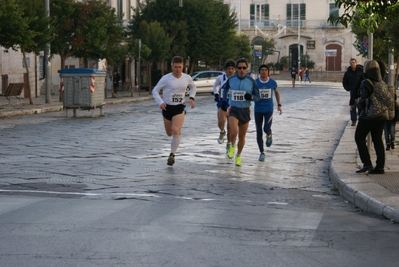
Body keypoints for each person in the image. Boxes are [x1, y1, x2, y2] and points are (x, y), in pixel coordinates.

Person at [152, 56, 196, 166]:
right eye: (175, 67)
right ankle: (175, 135)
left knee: (175, 130)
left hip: (179, 107)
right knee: (169, 133)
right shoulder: (166, 78)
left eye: (180, 67)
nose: (177, 69)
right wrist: (160, 102)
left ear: (183, 67)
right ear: (172, 66)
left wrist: (191, 97)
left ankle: (172, 154)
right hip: (167, 107)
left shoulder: (187, 78)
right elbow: (155, 91)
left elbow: (193, 87)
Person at [221, 58, 260, 166]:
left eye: (244, 68)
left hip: (245, 110)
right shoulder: (231, 79)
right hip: (234, 109)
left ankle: (238, 155)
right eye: (239, 68)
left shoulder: (252, 81)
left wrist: (251, 97)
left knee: (242, 136)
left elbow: (258, 97)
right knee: (233, 132)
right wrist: (224, 101)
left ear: (247, 69)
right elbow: (224, 89)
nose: (242, 70)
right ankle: (232, 146)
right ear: (236, 69)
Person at [354, 60, 389, 174]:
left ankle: (367, 164)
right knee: (378, 139)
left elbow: (364, 100)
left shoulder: (367, 82)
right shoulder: (382, 82)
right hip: (382, 115)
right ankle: (380, 167)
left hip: (370, 115)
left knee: (359, 137)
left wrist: (357, 105)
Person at [254, 64, 282, 161]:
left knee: (266, 128)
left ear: (268, 72)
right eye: (262, 70)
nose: (264, 71)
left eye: (266, 70)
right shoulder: (255, 82)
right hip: (258, 110)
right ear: (259, 72)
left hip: (268, 110)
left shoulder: (272, 82)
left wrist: (279, 105)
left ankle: (269, 134)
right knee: (258, 132)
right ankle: (261, 152)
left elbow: (277, 92)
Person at [213, 59, 236, 144]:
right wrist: (216, 94)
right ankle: (222, 131)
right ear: (225, 69)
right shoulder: (220, 78)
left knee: (230, 126)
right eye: (229, 68)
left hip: (232, 102)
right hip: (222, 100)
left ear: (234, 69)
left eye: (232, 68)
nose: (230, 70)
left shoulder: (237, 79)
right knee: (221, 121)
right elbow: (215, 86)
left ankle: (229, 143)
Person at [343, 58, 363, 126]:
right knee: (353, 106)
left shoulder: (361, 70)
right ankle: (353, 120)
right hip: (352, 91)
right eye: (351, 62)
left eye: (354, 62)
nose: (352, 64)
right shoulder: (348, 72)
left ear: (356, 63)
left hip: (361, 91)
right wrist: (348, 88)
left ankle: (361, 120)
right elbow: (344, 81)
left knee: (360, 105)